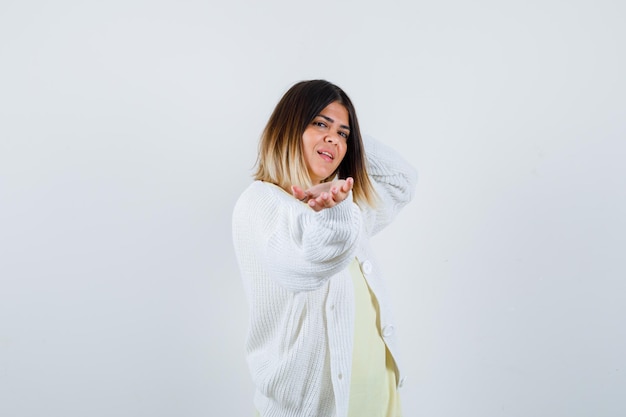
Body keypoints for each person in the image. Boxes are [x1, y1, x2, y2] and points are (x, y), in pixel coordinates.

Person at [232, 79, 417, 417]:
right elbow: (307, 265)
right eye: (319, 123)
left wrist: (350, 139)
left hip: (378, 397)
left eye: (343, 134)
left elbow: (401, 180)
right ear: (287, 128)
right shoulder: (261, 202)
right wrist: (335, 208)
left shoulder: (345, 205)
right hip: (313, 408)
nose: (334, 138)